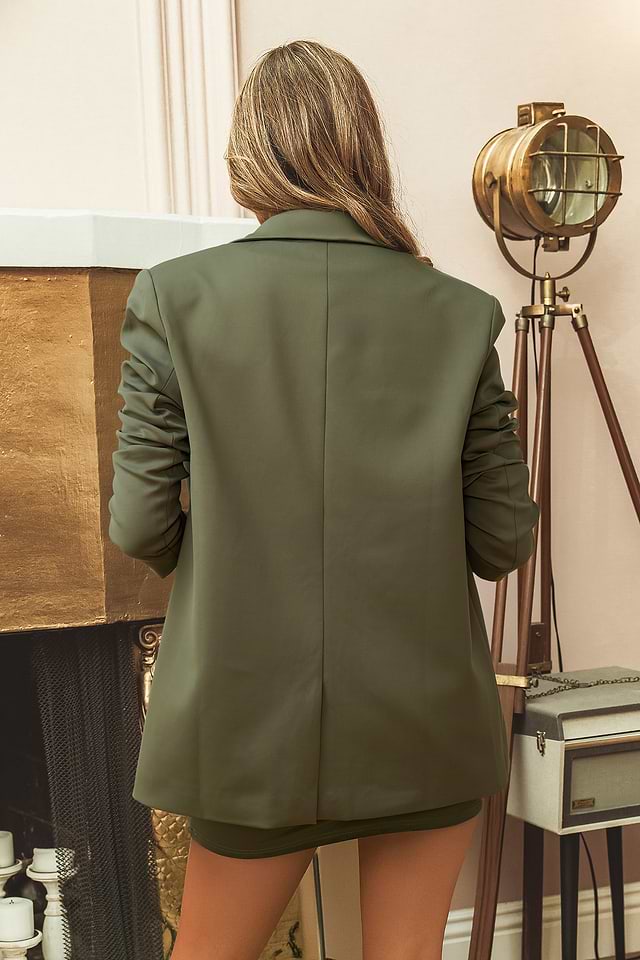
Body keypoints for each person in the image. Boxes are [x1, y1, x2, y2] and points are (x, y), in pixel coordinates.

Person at [108, 39, 540, 960]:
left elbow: (140, 523)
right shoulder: (461, 312)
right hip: (424, 717)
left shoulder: (173, 298)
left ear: (249, 153)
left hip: (247, 717)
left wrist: (227, 553)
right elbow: (504, 541)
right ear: (364, 149)